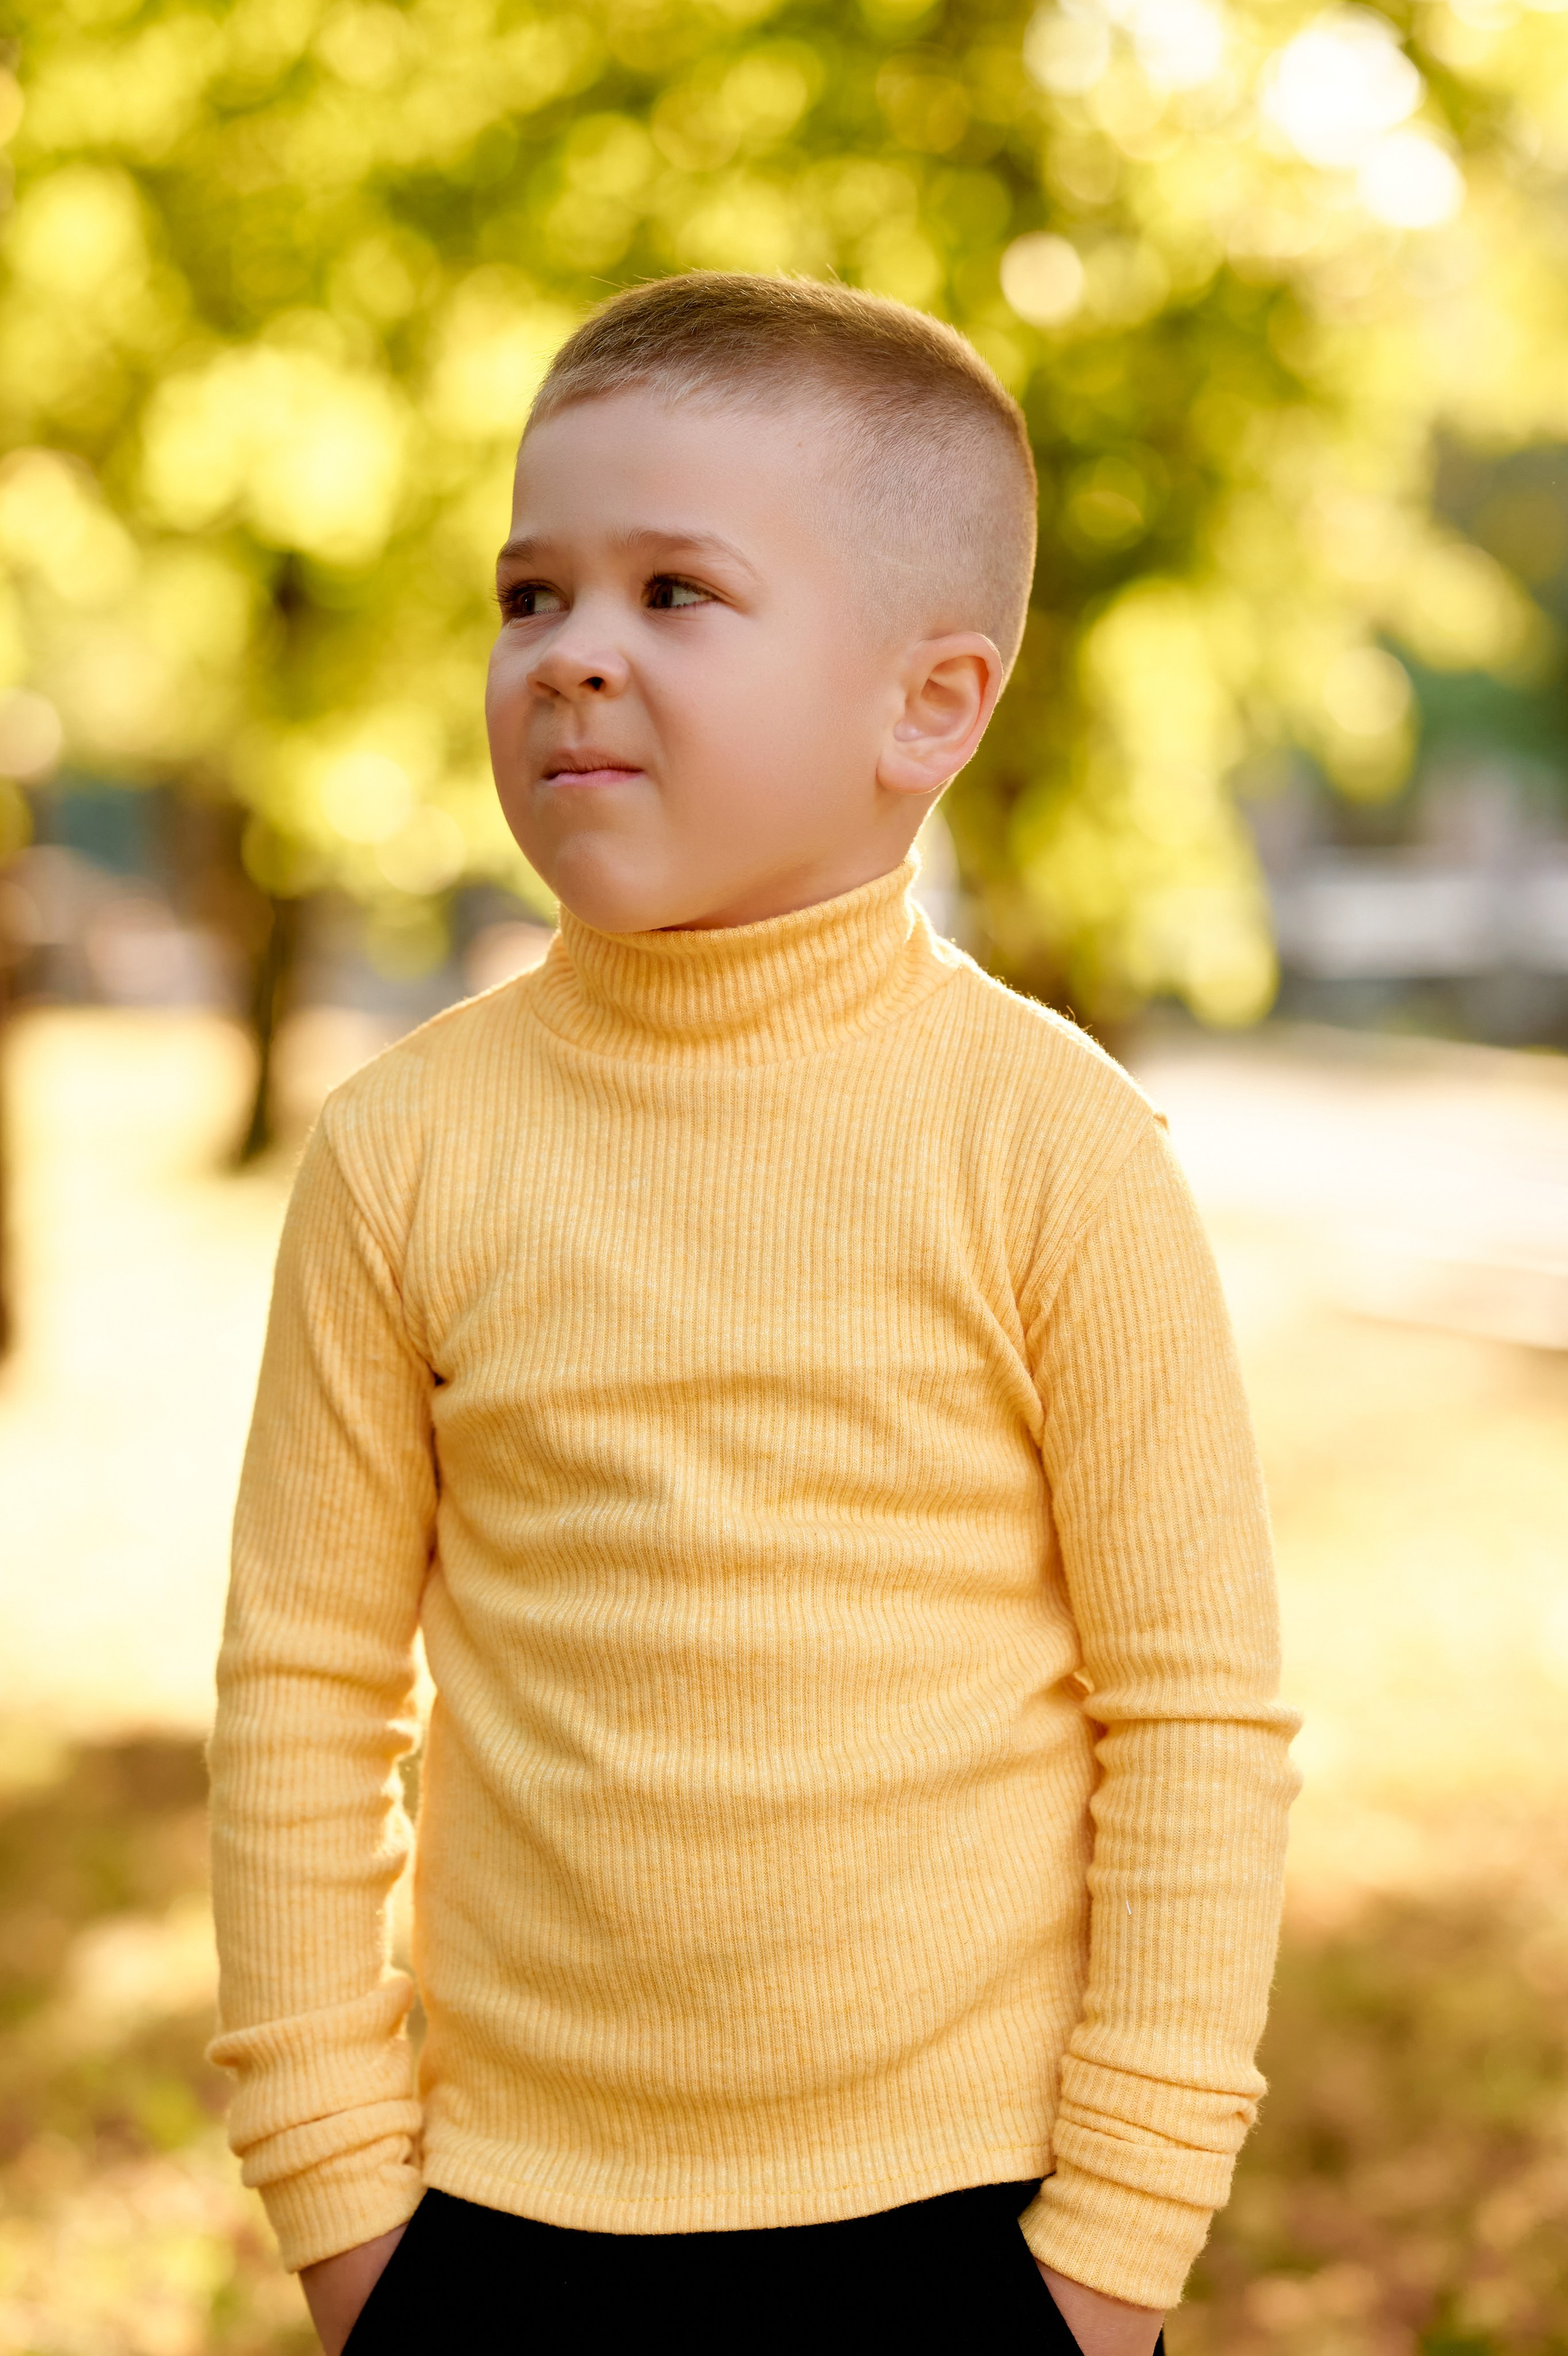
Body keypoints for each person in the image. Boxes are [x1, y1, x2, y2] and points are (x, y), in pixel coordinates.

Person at [206, 273, 1300, 2356]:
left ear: (932, 705)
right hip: (500, 2224)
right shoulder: (402, 1152)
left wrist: (1111, 2250)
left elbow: (1195, 1718)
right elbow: (307, 1689)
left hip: (967, 2226)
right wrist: (344, 2198)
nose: (574, 655)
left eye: (675, 593)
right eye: (532, 596)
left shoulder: (1056, 1150)